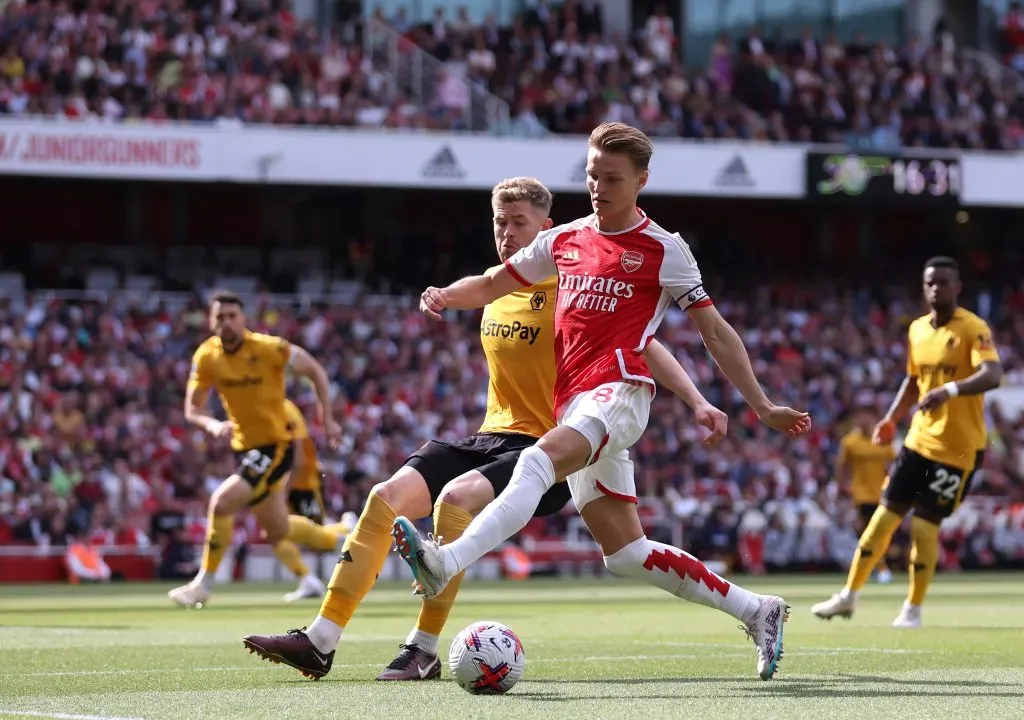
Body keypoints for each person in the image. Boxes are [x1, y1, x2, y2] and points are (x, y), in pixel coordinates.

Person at [240, 177, 729, 680]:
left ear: (548, 227)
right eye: (501, 221)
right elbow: (475, 293)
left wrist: (695, 399)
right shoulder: (497, 285)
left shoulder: (572, 279)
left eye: (520, 223)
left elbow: (642, 343)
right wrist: (443, 295)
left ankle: (423, 647)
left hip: (552, 447)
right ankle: (321, 640)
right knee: (386, 496)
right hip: (490, 434)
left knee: (456, 498)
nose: (508, 232)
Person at [393, 123, 811, 682]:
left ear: (640, 180)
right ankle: (757, 610)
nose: (598, 186)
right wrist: (447, 294)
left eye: (612, 177)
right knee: (626, 555)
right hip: (575, 403)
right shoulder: (564, 240)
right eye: (592, 175)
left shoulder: (664, 249)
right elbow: (495, 282)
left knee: (537, 462)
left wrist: (759, 404)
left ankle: (446, 561)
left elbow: (714, 331)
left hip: (619, 391)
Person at [812, 257, 1002, 628]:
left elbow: (993, 374)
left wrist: (949, 390)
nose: (936, 289)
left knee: (923, 528)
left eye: (944, 283)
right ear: (923, 287)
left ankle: (912, 608)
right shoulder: (917, 330)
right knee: (882, 520)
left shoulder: (973, 328)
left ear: (957, 287)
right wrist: (891, 418)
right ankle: (848, 596)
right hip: (919, 441)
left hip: (960, 451)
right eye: (931, 283)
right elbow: (913, 380)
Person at [167, 293, 344, 608]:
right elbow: (192, 409)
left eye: (232, 315)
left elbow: (315, 370)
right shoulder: (207, 356)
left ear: (243, 318)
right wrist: (210, 425)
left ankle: (202, 585)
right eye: (220, 317)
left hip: (275, 445)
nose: (226, 322)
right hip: (244, 449)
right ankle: (339, 537)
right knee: (278, 529)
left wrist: (326, 418)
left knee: (221, 503)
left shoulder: (268, 348)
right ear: (211, 321)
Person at [275, 398, 352, 603]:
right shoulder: (279, 420)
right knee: (278, 533)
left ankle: (343, 532)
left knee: (310, 536)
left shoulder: (290, 422)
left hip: (302, 487)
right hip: (291, 485)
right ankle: (308, 579)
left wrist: (284, 490)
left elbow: (300, 462)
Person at [835, 407, 896, 583]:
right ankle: (881, 568)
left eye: (866, 414)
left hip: (883, 493)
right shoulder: (850, 442)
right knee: (870, 532)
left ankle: (872, 567)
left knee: (880, 533)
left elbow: (894, 462)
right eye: (860, 415)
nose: (863, 419)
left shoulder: (883, 439)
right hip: (861, 495)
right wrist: (840, 487)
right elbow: (842, 466)